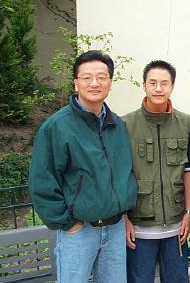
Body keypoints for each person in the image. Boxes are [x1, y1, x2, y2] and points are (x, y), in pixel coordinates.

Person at [28, 50, 138, 283]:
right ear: (76, 83)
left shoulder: (117, 124)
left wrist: (125, 214)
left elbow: (123, 174)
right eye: (87, 77)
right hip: (79, 231)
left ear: (110, 82)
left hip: (115, 228)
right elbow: (42, 181)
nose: (94, 83)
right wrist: (69, 223)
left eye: (101, 77)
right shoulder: (56, 127)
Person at [122, 60, 190, 283]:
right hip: (139, 228)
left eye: (164, 83)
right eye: (153, 83)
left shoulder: (184, 123)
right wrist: (125, 219)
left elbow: (189, 170)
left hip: (176, 228)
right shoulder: (125, 124)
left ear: (172, 86)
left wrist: (187, 213)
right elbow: (120, 174)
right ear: (143, 85)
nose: (158, 88)